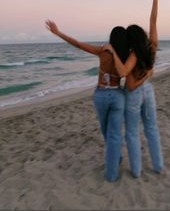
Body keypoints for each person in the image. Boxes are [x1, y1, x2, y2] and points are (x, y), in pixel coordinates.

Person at [45, 21, 129, 182]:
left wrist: (58, 33)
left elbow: (78, 44)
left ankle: (111, 173)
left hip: (102, 95)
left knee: (107, 133)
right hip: (118, 96)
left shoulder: (104, 51)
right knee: (113, 134)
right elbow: (126, 72)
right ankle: (116, 158)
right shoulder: (125, 55)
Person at [105, 0, 164, 178]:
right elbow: (153, 21)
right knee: (152, 129)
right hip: (149, 91)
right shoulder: (152, 45)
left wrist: (114, 53)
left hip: (135, 94)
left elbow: (128, 82)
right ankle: (157, 166)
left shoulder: (132, 56)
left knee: (131, 133)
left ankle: (137, 171)